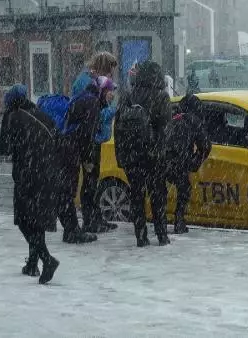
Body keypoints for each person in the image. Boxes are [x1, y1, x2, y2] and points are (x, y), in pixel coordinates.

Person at [0, 84, 60, 284]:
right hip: (48, 174)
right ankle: (32, 264)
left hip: (27, 176)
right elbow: (56, 139)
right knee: (37, 220)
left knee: (24, 220)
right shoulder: (40, 114)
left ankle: (47, 259)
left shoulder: (13, 116)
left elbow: (3, 148)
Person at [114, 61, 171, 247]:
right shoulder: (161, 96)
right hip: (154, 156)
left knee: (137, 196)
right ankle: (162, 235)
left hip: (132, 156)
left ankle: (141, 236)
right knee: (157, 196)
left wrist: (121, 157)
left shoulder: (128, 95)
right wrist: (161, 150)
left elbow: (119, 128)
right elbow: (165, 126)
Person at [56, 76, 113, 244]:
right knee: (68, 191)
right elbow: (87, 134)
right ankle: (72, 231)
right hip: (70, 149)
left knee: (67, 190)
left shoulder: (85, 99)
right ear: (102, 91)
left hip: (66, 147)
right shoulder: (92, 103)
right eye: (109, 91)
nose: (112, 95)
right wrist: (87, 159)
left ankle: (72, 229)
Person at [72, 52, 119, 233]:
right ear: (103, 67)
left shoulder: (89, 80)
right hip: (89, 139)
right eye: (110, 72)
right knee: (90, 181)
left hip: (92, 138)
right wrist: (112, 109)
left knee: (93, 180)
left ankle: (95, 218)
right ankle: (90, 221)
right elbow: (95, 116)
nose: (110, 76)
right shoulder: (87, 84)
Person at [165, 94, 211, 234]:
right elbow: (206, 146)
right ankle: (179, 220)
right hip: (180, 160)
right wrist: (194, 163)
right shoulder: (193, 120)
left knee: (159, 192)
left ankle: (160, 223)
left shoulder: (170, 116)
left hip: (162, 158)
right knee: (184, 189)